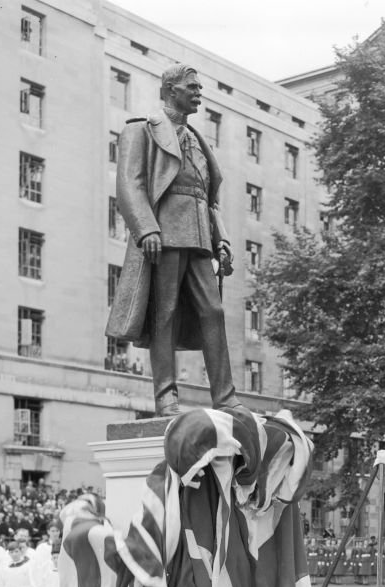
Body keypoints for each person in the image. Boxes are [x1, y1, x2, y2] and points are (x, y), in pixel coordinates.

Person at [106, 63, 239, 417]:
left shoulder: (197, 139)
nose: (199, 92)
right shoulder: (142, 130)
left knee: (213, 310)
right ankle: (166, 397)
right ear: (170, 89)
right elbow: (129, 184)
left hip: (198, 235)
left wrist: (221, 238)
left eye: (199, 87)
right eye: (192, 86)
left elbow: (209, 197)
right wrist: (145, 227)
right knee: (164, 314)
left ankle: (225, 397)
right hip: (164, 233)